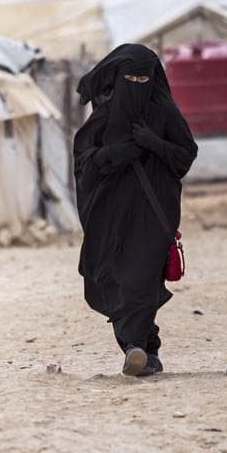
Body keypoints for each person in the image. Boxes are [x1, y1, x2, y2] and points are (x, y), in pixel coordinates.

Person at [73, 44, 198, 377]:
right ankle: (147, 349)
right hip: (108, 214)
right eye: (130, 78)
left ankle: (135, 347)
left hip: (153, 213)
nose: (137, 84)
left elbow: (185, 155)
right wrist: (111, 154)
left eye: (144, 78)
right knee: (116, 279)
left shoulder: (166, 114)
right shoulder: (104, 116)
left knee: (141, 279)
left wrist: (152, 143)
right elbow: (84, 163)